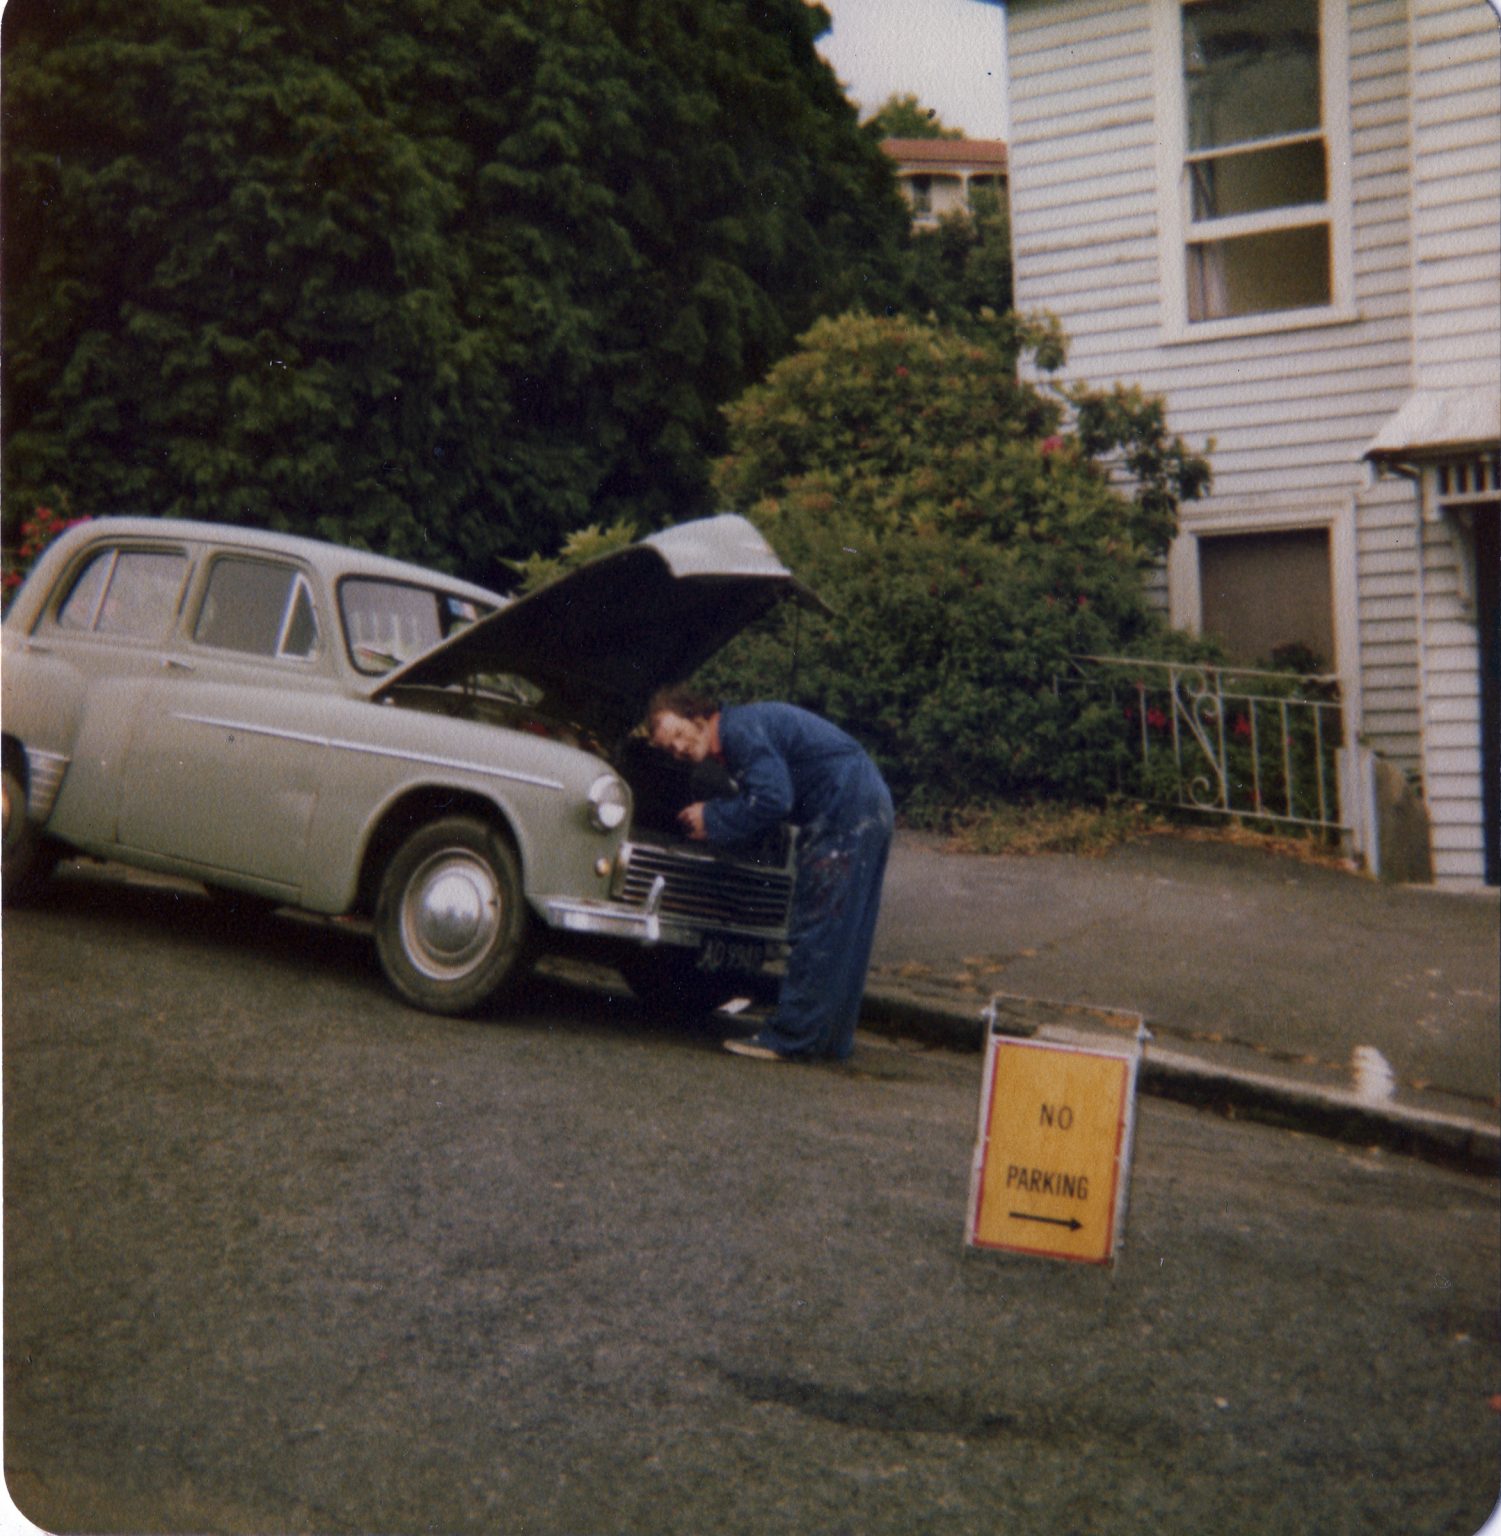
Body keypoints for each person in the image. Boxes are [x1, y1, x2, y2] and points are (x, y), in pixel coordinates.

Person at [646, 687, 894, 1063]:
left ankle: (791, 1039)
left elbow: (773, 798)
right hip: (865, 801)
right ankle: (829, 1043)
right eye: (668, 749)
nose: (678, 750)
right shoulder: (743, 729)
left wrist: (712, 818)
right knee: (846, 934)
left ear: (699, 718)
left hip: (844, 808)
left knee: (820, 926)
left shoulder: (738, 731)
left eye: (679, 735)